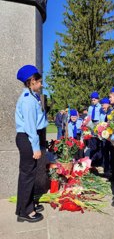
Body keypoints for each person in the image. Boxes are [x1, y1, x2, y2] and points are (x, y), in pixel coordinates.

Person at [15, 65, 48, 223]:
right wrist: (35, 147)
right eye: (39, 81)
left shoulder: (32, 96)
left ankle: (27, 205)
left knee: (29, 175)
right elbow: (30, 127)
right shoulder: (28, 100)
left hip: (28, 137)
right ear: (32, 81)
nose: (41, 84)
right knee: (27, 176)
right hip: (28, 139)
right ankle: (25, 211)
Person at [88, 92, 102, 165]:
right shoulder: (90, 107)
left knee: (99, 143)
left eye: (94, 100)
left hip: (98, 124)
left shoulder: (100, 107)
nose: (93, 101)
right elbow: (88, 117)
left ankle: (99, 162)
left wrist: (99, 127)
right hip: (91, 124)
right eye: (92, 100)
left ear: (98, 99)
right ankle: (92, 161)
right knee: (92, 143)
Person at [99, 97, 113, 177]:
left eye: (103, 105)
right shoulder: (107, 112)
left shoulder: (110, 112)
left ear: (107, 104)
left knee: (108, 154)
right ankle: (107, 170)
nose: (102, 107)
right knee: (106, 154)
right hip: (106, 137)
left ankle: (108, 171)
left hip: (109, 137)